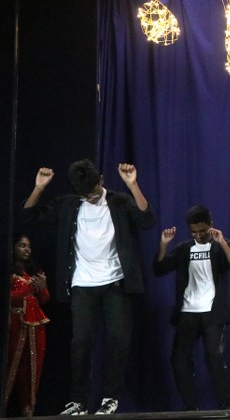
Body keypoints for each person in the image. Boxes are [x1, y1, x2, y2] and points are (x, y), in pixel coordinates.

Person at [20, 160, 155, 415]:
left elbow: (146, 220)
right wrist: (39, 188)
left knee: (118, 339)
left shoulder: (118, 201)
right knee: (80, 342)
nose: (89, 198)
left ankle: (110, 398)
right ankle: (78, 401)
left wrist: (133, 185)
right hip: (82, 284)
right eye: (85, 195)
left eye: (92, 192)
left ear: (101, 180)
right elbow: (28, 216)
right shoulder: (69, 204)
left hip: (115, 282)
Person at [154, 206, 230, 411]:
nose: (198, 235)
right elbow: (159, 269)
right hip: (188, 312)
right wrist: (163, 245)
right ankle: (191, 408)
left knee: (214, 357)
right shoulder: (184, 248)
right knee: (179, 359)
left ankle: (225, 405)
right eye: (194, 232)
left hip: (213, 313)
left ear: (210, 224)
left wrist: (223, 243)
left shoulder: (221, 244)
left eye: (202, 231)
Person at [5, 234, 50, 418]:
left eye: (29, 246)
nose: (27, 249)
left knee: (32, 371)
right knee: (11, 367)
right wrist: (28, 288)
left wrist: (42, 287)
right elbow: (10, 298)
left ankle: (28, 410)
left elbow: (44, 299)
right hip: (14, 326)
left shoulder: (33, 272)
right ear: (12, 248)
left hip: (36, 326)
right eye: (22, 245)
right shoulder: (8, 272)